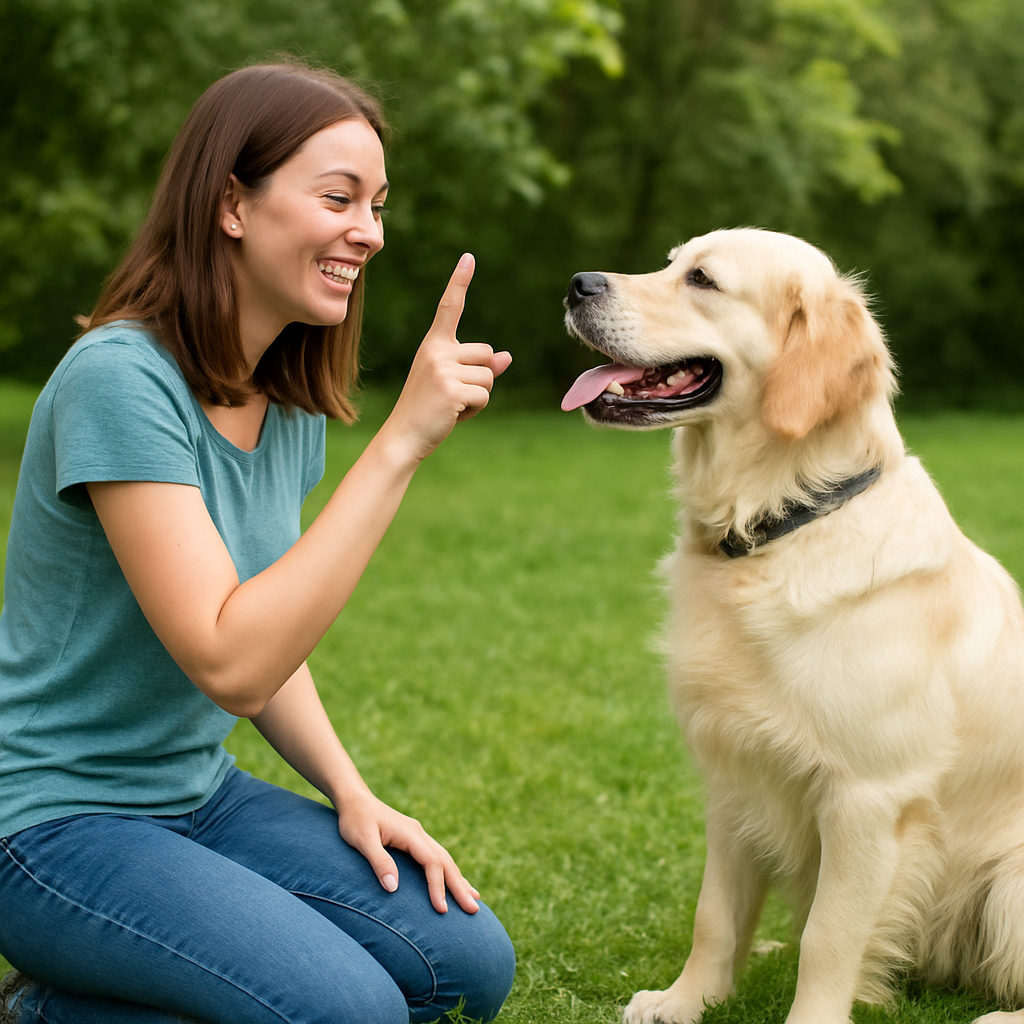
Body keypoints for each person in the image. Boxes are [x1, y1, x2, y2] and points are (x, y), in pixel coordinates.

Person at [0, 61, 516, 1024]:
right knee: (353, 1012)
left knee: (464, 964)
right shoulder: (121, 380)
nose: (367, 230)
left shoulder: (287, 402)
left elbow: (269, 639)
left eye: (377, 204)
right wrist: (402, 442)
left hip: (198, 796)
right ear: (233, 203)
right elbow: (230, 661)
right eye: (338, 197)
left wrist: (351, 791)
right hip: (50, 822)